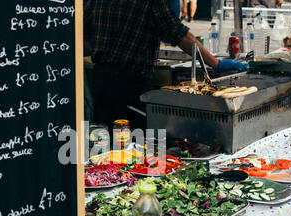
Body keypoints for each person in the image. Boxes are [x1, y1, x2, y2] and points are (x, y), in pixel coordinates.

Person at [84, 0, 248, 130]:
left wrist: (104, 49)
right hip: (130, 84)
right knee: (137, 143)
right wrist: (216, 63)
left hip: (101, 80)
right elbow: (179, 34)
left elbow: (82, 29)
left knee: (109, 140)